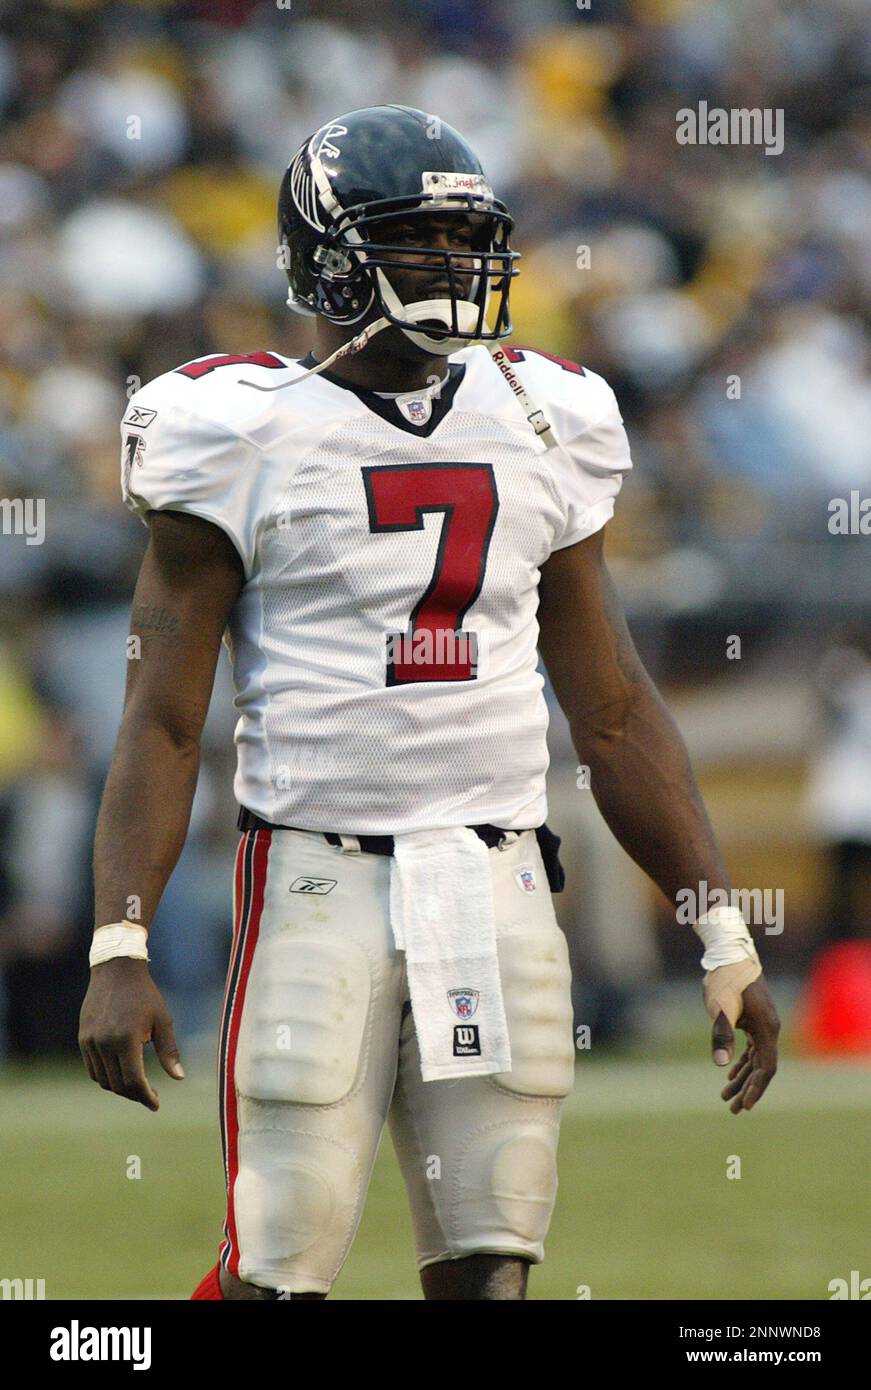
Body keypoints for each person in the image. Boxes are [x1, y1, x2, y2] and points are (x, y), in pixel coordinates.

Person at [78, 105, 780, 1302]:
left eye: (468, 238)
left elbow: (610, 709)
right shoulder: (238, 430)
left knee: (492, 1258)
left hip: (496, 875)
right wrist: (121, 940)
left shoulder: (543, 414)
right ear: (332, 259)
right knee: (279, 1259)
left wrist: (720, 926)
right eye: (420, 241)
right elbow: (161, 719)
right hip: (316, 878)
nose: (458, 268)